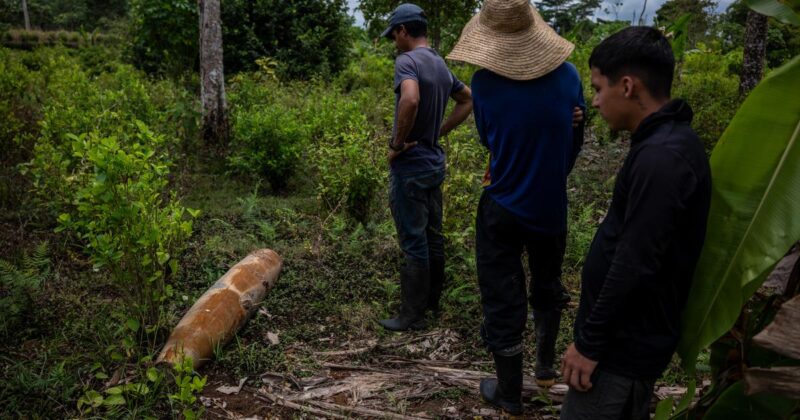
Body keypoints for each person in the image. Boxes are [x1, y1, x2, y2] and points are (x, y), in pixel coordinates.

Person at [560, 26, 712, 420]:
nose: (594, 102)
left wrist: (590, 344)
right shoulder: (665, 142)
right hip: (623, 345)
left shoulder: (662, 158)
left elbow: (635, 259)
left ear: (627, 86)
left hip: (619, 353)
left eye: (597, 88)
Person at [446, 0, 585, 415]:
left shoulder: (484, 83)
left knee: (503, 297)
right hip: (550, 205)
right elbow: (574, 138)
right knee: (547, 284)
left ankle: (509, 392)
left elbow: (489, 141)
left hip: (503, 204)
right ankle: (545, 368)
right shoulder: (570, 75)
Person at [379, 3, 473, 332]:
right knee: (434, 236)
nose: (394, 41)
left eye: (394, 34)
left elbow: (410, 99)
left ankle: (412, 316)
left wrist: (397, 144)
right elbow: (468, 99)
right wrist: (438, 132)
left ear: (404, 31)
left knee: (413, 240)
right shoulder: (438, 63)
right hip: (434, 163)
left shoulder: (407, 61)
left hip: (411, 167)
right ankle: (431, 303)